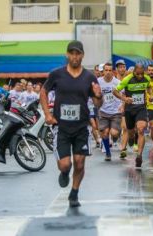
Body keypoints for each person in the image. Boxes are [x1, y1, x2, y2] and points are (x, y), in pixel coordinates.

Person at [40, 40, 102, 208]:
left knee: (80, 162)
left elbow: (98, 104)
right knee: (65, 164)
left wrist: (98, 96)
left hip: (82, 127)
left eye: (78, 53)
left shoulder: (89, 77)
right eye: (72, 53)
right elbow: (43, 92)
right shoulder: (57, 74)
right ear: (67, 55)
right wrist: (47, 114)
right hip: (62, 127)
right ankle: (65, 172)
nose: (75, 56)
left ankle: (74, 193)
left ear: (82, 55)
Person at [113, 64, 150, 168]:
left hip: (141, 108)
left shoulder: (146, 78)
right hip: (129, 110)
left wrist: (150, 95)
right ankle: (131, 139)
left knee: (141, 129)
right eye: (137, 74)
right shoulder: (127, 79)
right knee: (131, 133)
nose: (140, 76)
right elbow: (114, 91)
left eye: (142, 74)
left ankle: (139, 156)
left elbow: (149, 87)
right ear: (134, 73)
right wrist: (124, 99)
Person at [97, 63, 122, 161]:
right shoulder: (98, 82)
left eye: (110, 70)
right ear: (103, 71)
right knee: (104, 132)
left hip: (116, 111)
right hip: (103, 111)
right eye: (106, 70)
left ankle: (116, 137)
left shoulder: (117, 82)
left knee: (114, 133)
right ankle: (108, 152)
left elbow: (123, 94)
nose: (108, 72)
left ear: (113, 71)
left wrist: (122, 105)